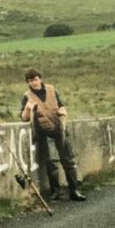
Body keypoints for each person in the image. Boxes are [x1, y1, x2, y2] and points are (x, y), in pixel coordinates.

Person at [20, 68, 86, 201]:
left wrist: (63, 111)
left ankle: (74, 190)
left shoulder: (51, 89)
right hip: (44, 133)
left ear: (40, 78)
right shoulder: (27, 96)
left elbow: (61, 106)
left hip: (59, 128)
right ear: (28, 82)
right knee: (51, 162)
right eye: (30, 80)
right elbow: (24, 118)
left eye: (36, 79)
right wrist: (28, 108)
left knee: (68, 160)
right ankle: (56, 191)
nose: (34, 82)